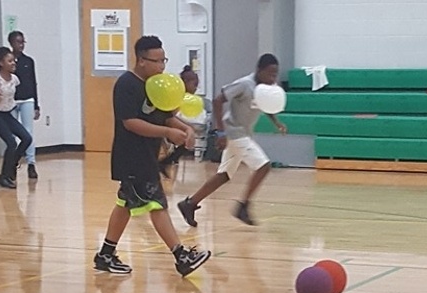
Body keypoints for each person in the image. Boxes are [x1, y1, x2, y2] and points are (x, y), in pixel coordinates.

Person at [93, 35, 210, 277]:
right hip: (131, 156)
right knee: (157, 204)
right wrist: (168, 132)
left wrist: (184, 128)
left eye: (163, 60)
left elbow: (164, 116)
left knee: (125, 203)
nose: (161, 66)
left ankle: (105, 254)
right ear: (141, 60)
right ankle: (181, 256)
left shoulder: (157, 85)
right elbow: (131, 123)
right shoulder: (126, 85)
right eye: (156, 61)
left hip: (147, 155)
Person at [178, 53, 288, 227]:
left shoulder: (265, 89)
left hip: (243, 135)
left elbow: (266, 105)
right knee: (264, 166)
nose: (273, 77)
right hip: (234, 133)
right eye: (270, 73)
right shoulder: (244, 84)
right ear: (259, 70)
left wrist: (276, 122)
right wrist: (220, 132)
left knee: (224, 175)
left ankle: (190, 203)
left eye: (275, 74)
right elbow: (217, 101)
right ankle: (243, 206)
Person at [0, 46, 33, 189]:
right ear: (1, 63)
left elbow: (14, 96)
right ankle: (4, 176)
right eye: (10, 61)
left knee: (27, 138)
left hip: (7, 113)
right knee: (11, 142)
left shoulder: (15, 79)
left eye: (14, 60)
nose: (13, 63)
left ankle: (13, 165)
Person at [159, 65, 207, 177]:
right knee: (187, 138)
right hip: (167, 125)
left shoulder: (192, 99)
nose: (196, 88)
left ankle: (167, 161)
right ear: (185, 82)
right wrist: (187, 126)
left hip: (181, 125)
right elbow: (170, 116)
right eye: (194, 85)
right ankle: (166, 161)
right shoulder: (176, 97)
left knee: (189, 140)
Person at [7, 30, 40, 180]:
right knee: (12, 134)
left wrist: (36, 105)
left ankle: (31, 164)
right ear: (11, 43)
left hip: (27, 99)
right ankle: (12, 163)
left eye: (22, 42)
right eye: (18, 42)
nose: (21, 45)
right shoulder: (7, 61)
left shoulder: (29, 61)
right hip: (12, 100)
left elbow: (33, 83)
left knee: (28, 133)